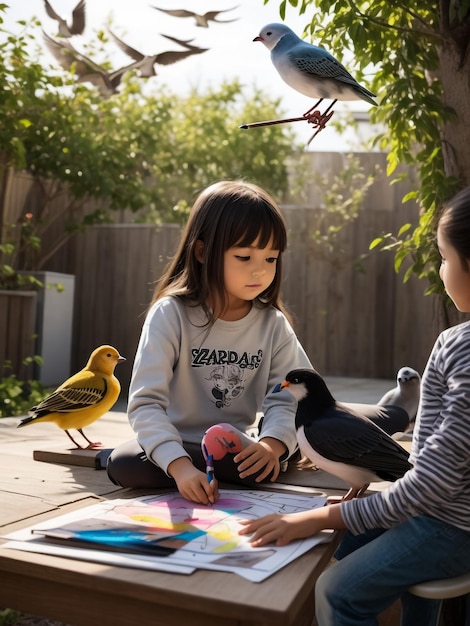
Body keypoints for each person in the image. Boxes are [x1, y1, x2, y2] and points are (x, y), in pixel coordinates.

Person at [239, 186, 470, 626]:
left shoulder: (463, 348)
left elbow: (433, 484)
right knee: (341, 550)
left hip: (450, 524)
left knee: (337, 590)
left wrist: (320, 517)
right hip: (440, 509)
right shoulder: (455, 343)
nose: (440, 271)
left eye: (443, 257)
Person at [107, 180, 409, 506]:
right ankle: (203, 465)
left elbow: (292, 400)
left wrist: (272, 446)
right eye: (244, 256)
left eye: (270, 259)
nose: (260, 271)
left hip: (239, 447)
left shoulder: (271, 323)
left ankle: (397, 411)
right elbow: (146, 404)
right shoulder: (171, 314)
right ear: (202, 251)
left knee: (330, 424)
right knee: (125, 465)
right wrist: (179, 467)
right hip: (186, 445)